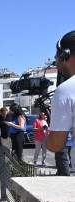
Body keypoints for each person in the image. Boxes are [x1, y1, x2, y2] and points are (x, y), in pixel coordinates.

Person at [47, 31, 75, 170]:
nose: (55, 61)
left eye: (57, 56)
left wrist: (48, 137)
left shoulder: (66, 90)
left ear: (65, 55)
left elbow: (56, 144)